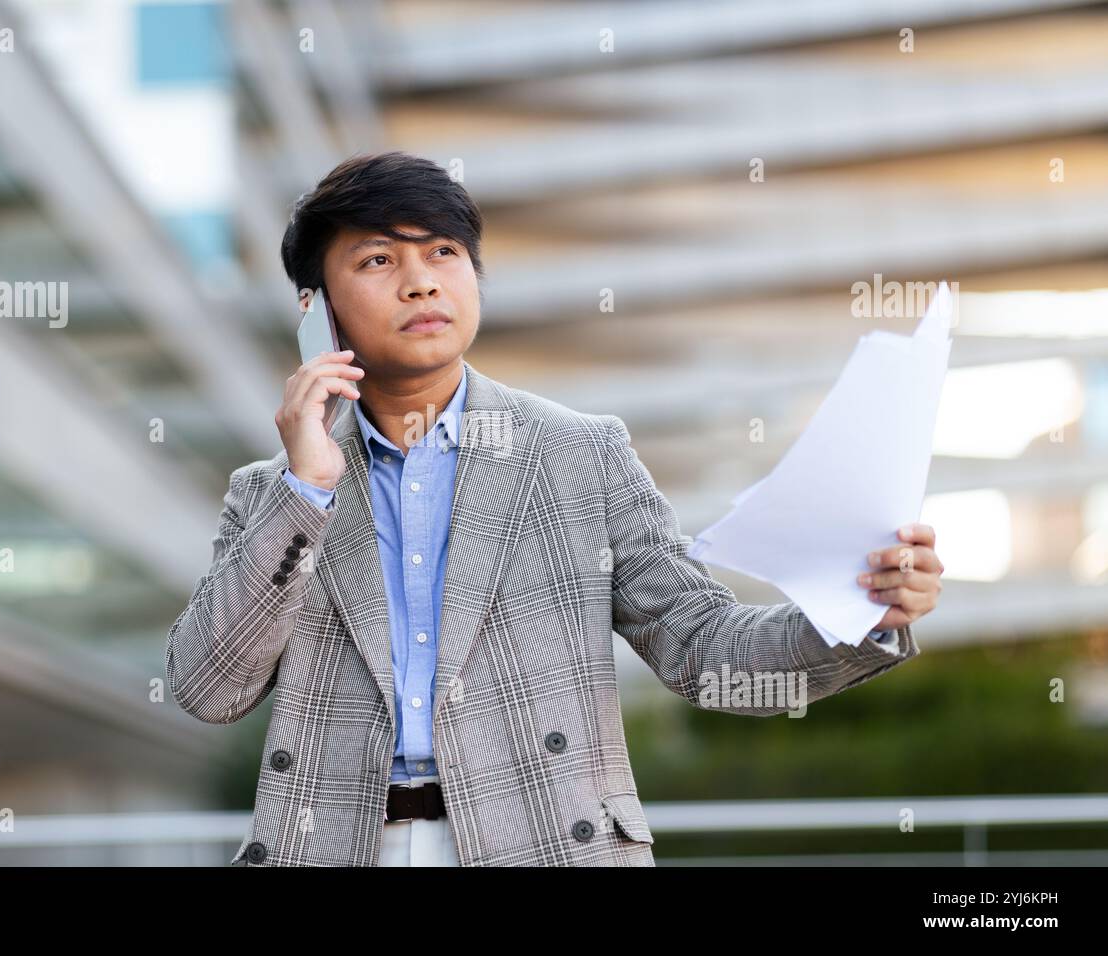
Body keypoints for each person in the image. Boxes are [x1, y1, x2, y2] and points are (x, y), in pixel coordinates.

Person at [164, 151, 944, 867]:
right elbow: (207, 690)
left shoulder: (580, 455)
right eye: (378, 260)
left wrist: (860, 610)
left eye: (443, 253)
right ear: (316, 310)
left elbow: (702, 650)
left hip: (547, 845)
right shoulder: (274, 493)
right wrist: (307, 487)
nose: (422, 282)